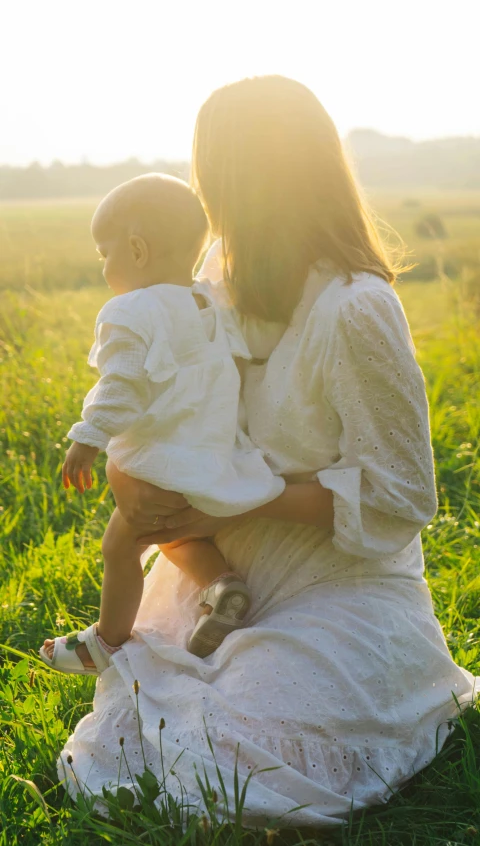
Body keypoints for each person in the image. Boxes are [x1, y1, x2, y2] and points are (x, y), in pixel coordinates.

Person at [56, 76, 478, 828]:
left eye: (210, 179)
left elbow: (403, 494)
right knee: (141, 742)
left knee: (233, 762)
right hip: (217, 566)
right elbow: (162, 407)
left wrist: (243, 495)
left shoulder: (356, 309)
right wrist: (129, 475)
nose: (203, 202)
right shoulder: (212, 282)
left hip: (339, 584)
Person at [39, 173, 285, 668]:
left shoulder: (130, 311)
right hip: (216, 459)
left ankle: (105, 644)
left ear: (136, 248)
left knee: (120, 544)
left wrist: (88, 439)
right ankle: (223, 586)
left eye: (104, 253)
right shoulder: (208, 303)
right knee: (179, 536)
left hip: (164, 462)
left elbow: (121, 386)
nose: (104, 266)